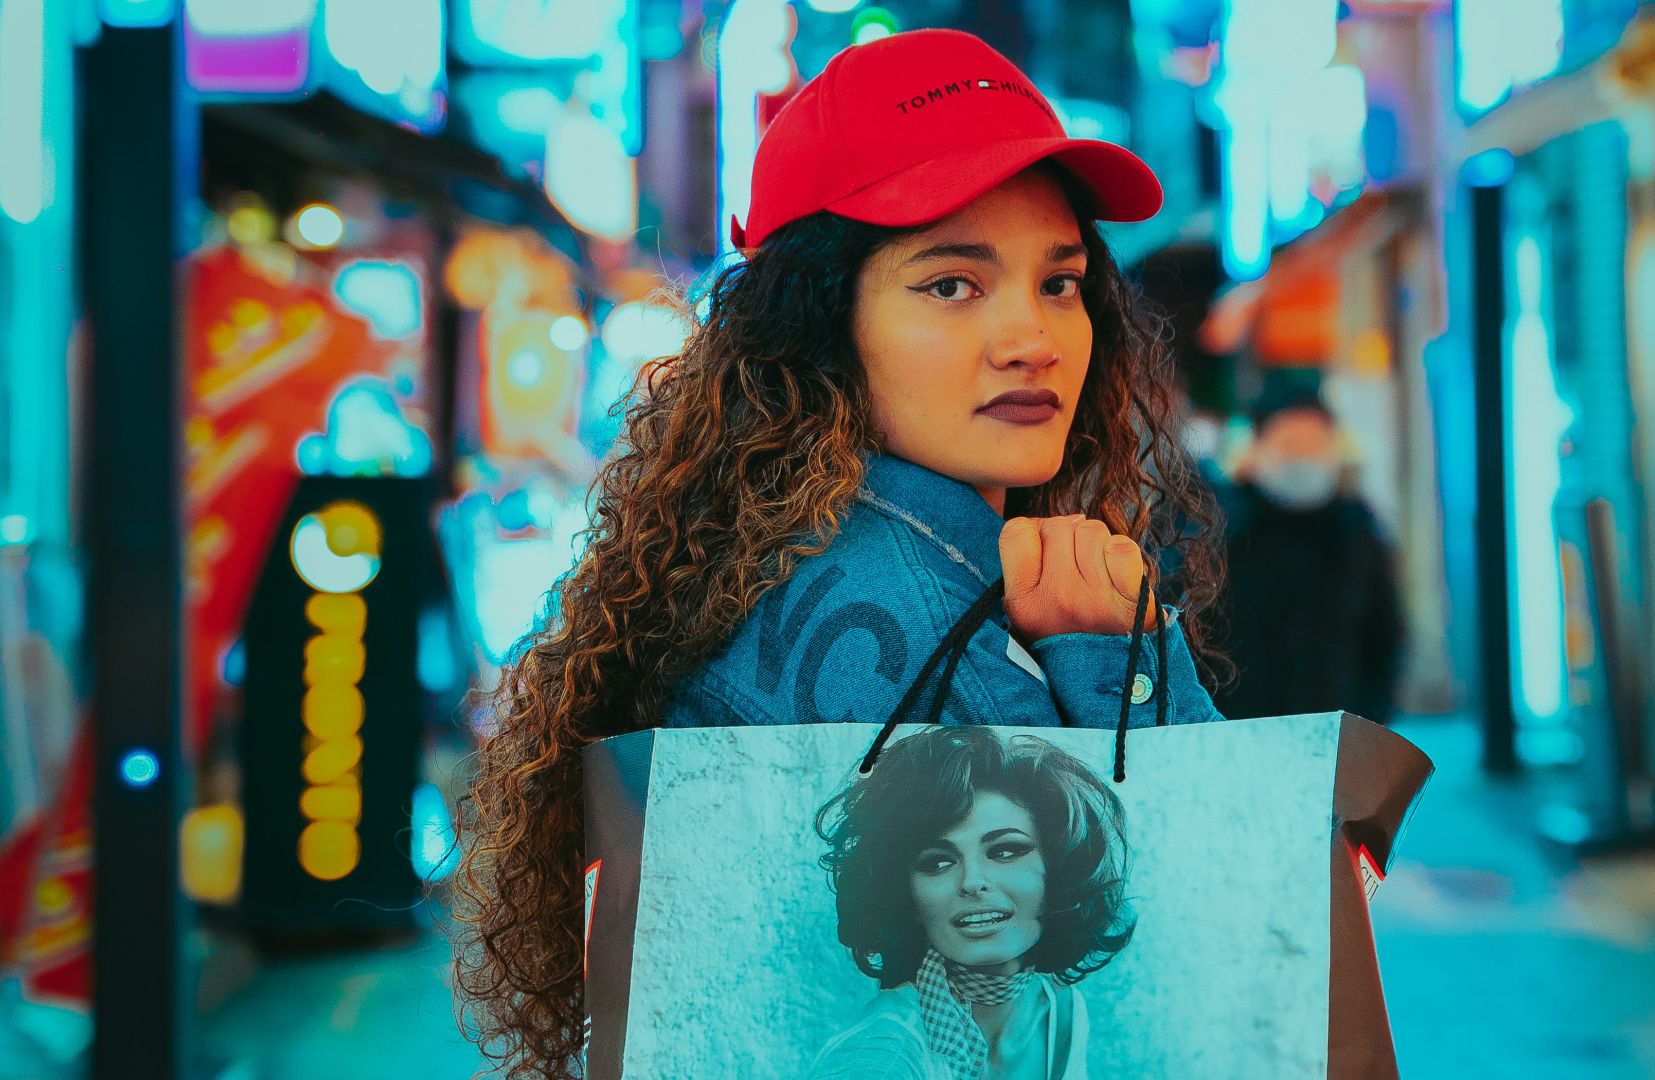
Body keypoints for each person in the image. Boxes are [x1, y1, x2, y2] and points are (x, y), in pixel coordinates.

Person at [453, 29, 1230, 1077]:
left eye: (1060, 280)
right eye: (951, 284)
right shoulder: (919, 619)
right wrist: (1115, 664)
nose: (1033, 337)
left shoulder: (761, 556)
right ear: (822, 326)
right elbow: (1210, 962)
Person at [807, 727, 1132, 1080]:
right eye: (937, 862)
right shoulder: (879, 1060)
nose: (972, 881)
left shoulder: (1062, 1010)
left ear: (1057, 871)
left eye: (1006, 851)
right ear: (907, 897)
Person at [1215, 393, 1404, 725]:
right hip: (1240, 735)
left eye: (1314, 446)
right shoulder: (1222, 529)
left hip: (1338, 734)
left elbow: (1384, 635)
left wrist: (1372, 721)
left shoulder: (1357, 531)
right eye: (1289, 445)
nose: (1302, 459)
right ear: (1257, 448)